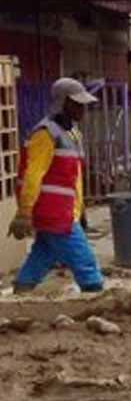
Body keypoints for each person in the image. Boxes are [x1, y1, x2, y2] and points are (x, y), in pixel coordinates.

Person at [8, 78, 103, 294]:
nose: (83, 109)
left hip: (62, 211)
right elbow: (33, 175)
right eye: (77, 104)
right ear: (62, 103)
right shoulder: (45, 133)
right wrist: (24, 212)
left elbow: (73, 178)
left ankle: (22, 290)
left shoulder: (71, 133)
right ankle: (96, 297)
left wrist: (80, 212)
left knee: (43, 254)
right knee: (84, 261)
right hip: (54, 212)